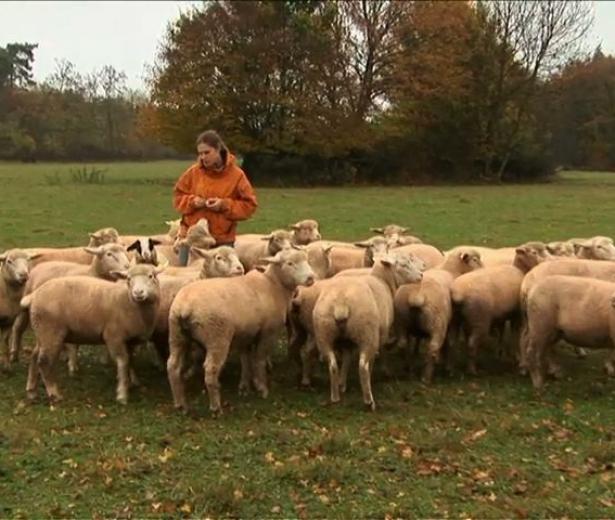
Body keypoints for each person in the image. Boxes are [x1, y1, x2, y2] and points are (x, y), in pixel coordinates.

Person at [173, 130, 258, 266]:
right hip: (191, 240)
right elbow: (178, 197)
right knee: (187, 281)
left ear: (218, 149)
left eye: (207, 152)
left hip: (221, 242)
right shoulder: (193, 173)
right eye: (200, 153)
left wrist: (224, 205)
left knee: (220, 285)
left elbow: (249, 205)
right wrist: (193, 202)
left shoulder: (237, 176)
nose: (203, 157)